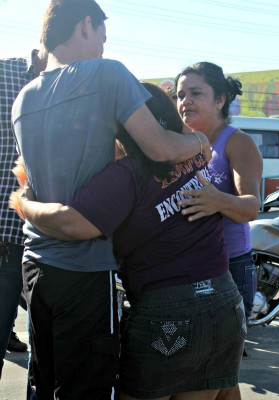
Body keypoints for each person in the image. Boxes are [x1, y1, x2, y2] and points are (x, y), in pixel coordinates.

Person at [11, 1, 210, 399]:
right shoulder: (107, 73)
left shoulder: (23, 100)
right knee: (87, 388)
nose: (103, 47)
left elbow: (32, 185)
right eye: (103, 37)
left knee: (43, 382)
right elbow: (157, 146)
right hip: (83, 271)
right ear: (87, 25)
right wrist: (198, 142)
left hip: (34, 268)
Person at [11, 82, 246, 400]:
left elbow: (69, 223)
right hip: (224, 301)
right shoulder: (190, 155)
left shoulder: (128, 173)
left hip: (168, 309)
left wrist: (25, 203)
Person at [174, 61, 263, 400]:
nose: (186, 102)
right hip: (186, 269)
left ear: (220, 100)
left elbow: (251, 206)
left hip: (229, 270)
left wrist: (215, 199)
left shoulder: (236, 143)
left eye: (196, 93)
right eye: (180, 95)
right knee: (218, 375)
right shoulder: (178, 142)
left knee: (213, 369)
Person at [0, 48, 47, 386]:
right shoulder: (6, 77)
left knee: (49, 349)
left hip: (50, 242)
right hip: (8, 238)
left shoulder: (77, 92)